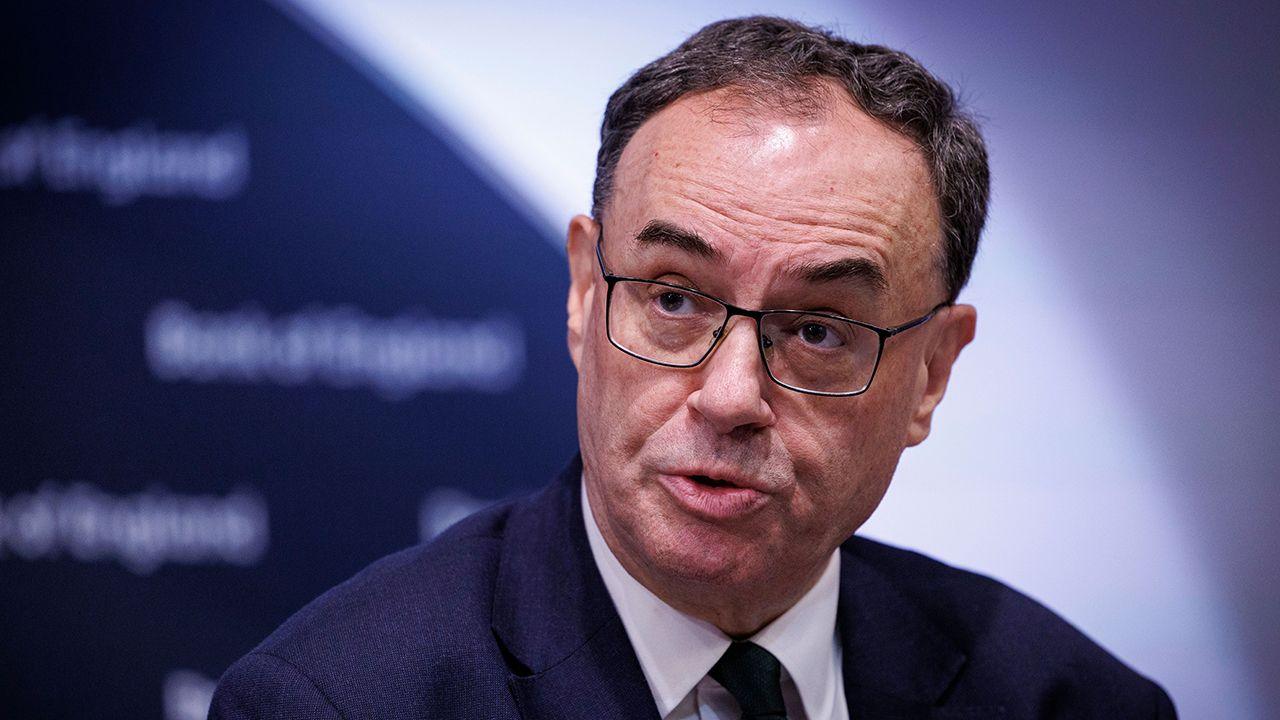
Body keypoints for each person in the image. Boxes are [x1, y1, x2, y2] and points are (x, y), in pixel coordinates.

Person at [210, 16, 1175, 719]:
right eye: (674, 299)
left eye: (820, 329)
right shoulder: (339, 703)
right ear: (588, 296)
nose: (729, 397)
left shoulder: (1072, 702)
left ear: (930, 373)